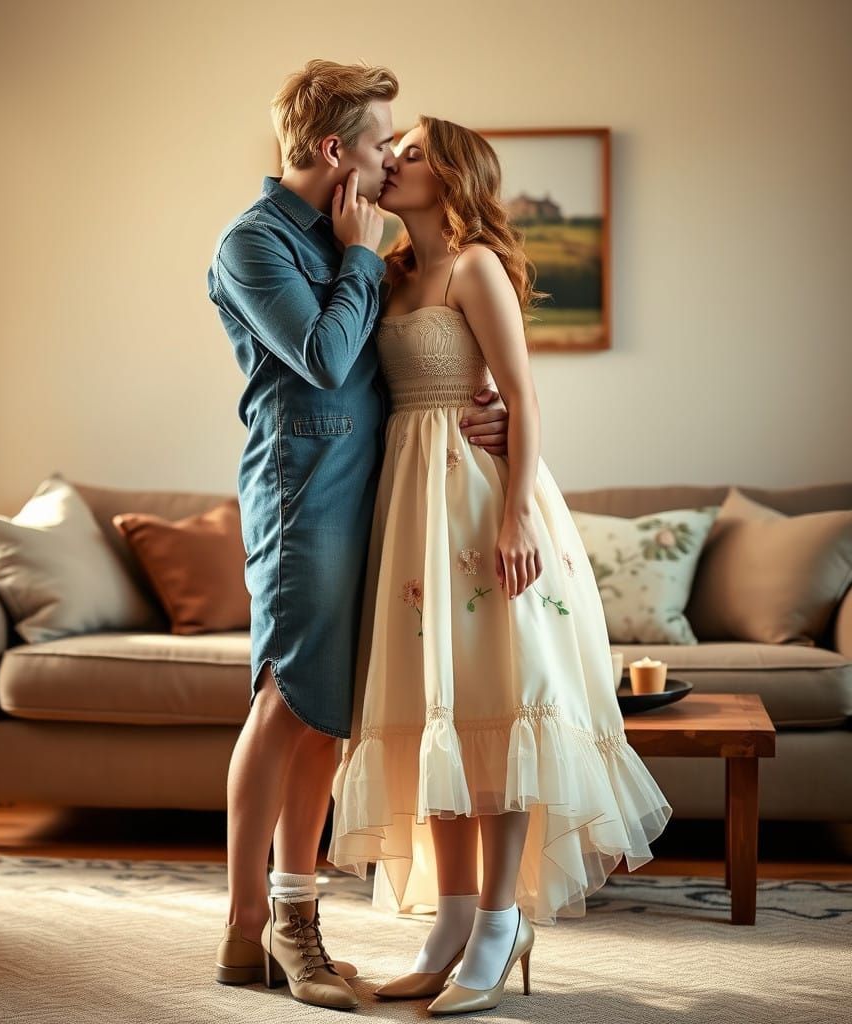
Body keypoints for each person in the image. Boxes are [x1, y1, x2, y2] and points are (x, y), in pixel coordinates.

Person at [328, 116, 673, 1016]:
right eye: (389, 151)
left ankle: (497, 922)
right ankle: (445, 926)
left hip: (483, 508)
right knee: (435, 710)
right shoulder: (389, 271)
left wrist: (516, 516)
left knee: (495, 705)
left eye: (411, 152)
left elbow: (521, 398)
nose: (393, 162)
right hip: (408, 511)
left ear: (454, 174)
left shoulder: (475, 265)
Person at [205, 61, 511, 1011]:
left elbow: (418, 360)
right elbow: (329, 357)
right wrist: (355, 255)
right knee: (285, 702)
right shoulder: (254, 245)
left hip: (379, 498)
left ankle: (298, 919)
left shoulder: (374, 254)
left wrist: (485, 407)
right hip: (303, 498)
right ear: (336, 151)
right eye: (383, 142)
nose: (391, 157)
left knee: (329, 716)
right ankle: (250, 928)